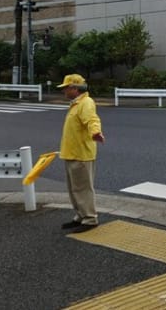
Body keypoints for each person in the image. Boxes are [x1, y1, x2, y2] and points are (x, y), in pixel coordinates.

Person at [57, 74, 105, 232]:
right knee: (74, 188)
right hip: (72, 153)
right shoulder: (75, 104)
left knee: (83, 188)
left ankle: (90, 219)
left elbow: (92, 120)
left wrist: (95, 132)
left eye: (66, 88)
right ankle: (80, 216)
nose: (63, 90)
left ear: (74, 88)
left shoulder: (86, 103)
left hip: (81, 154)